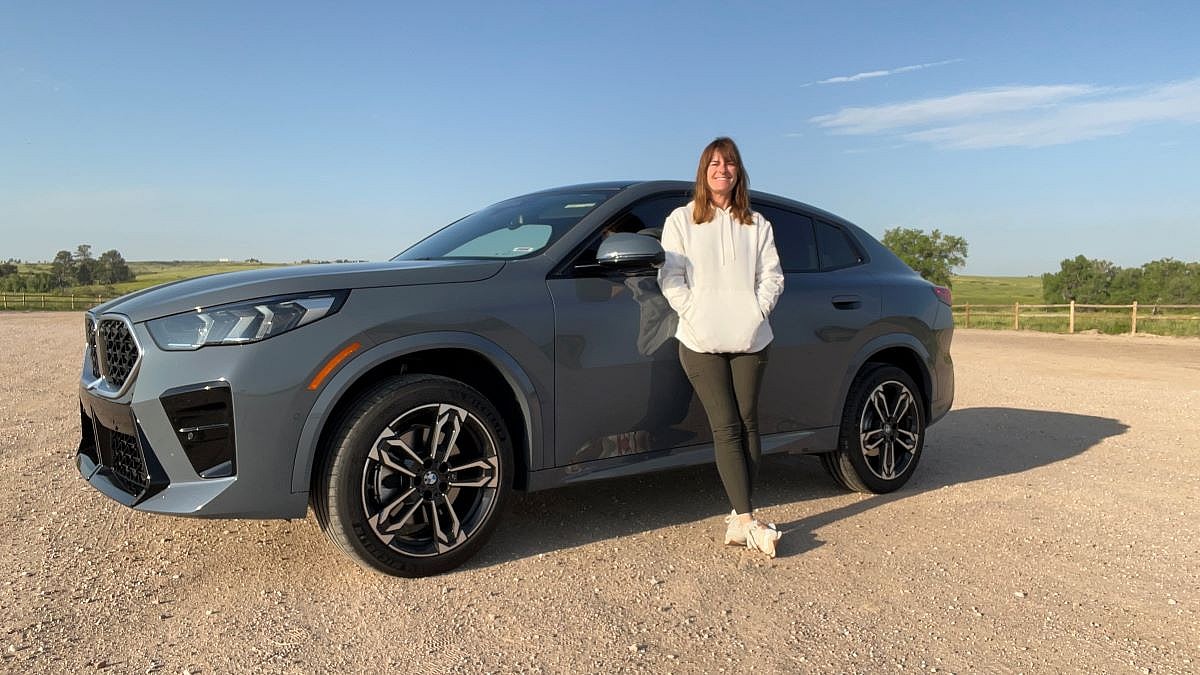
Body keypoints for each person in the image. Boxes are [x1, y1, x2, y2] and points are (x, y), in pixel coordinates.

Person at [658, 137, 785, 557]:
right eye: (714, 163)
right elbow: (670, 276)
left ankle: (739, 516)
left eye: (729, 163)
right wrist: (693, 310)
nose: (722, 169)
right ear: (703, 170)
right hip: (699, 339)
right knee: (727, 425)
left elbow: (773, 277)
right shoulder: (681, 220)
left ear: (738, 172)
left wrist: (756, 311)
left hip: (751, 338)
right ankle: (748, 521)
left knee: (749, 422)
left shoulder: (757, 224)